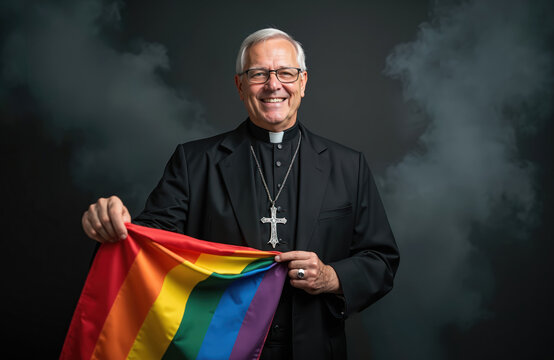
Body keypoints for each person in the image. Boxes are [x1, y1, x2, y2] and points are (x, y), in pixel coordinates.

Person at [82, 28, 399, 359]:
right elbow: (151, 246)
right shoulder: (195, 162)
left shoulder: (348, 165)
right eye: (258, 74)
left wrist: (332, 277)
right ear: (240, 86)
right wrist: (114, 229)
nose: (273, 85)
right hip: (220, 349)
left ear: (303, 82)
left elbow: (381, 260)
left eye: (285, 73)